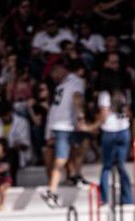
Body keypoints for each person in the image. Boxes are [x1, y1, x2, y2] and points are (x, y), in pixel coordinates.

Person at [40, 61, 86, 209]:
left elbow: (76, 98)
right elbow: (76, 99)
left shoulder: (70, 83)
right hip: (63, 126)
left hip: (64, 125)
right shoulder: (66, 84)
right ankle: (52, 190)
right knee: (61, 159)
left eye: (54, 71)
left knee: (81, 145)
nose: (53, 76)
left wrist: (80, 117)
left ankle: (74, 175)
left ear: (62, 68)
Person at [95, 87, 133, 207]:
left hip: (110, 132)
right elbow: (128, 113)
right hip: (124, 131)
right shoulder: (124, 92)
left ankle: (104, 198)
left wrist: (91, 126)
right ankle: (127, 198)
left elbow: (104, 117)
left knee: (107, 166)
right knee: (121, 166)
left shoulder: (105, 94)